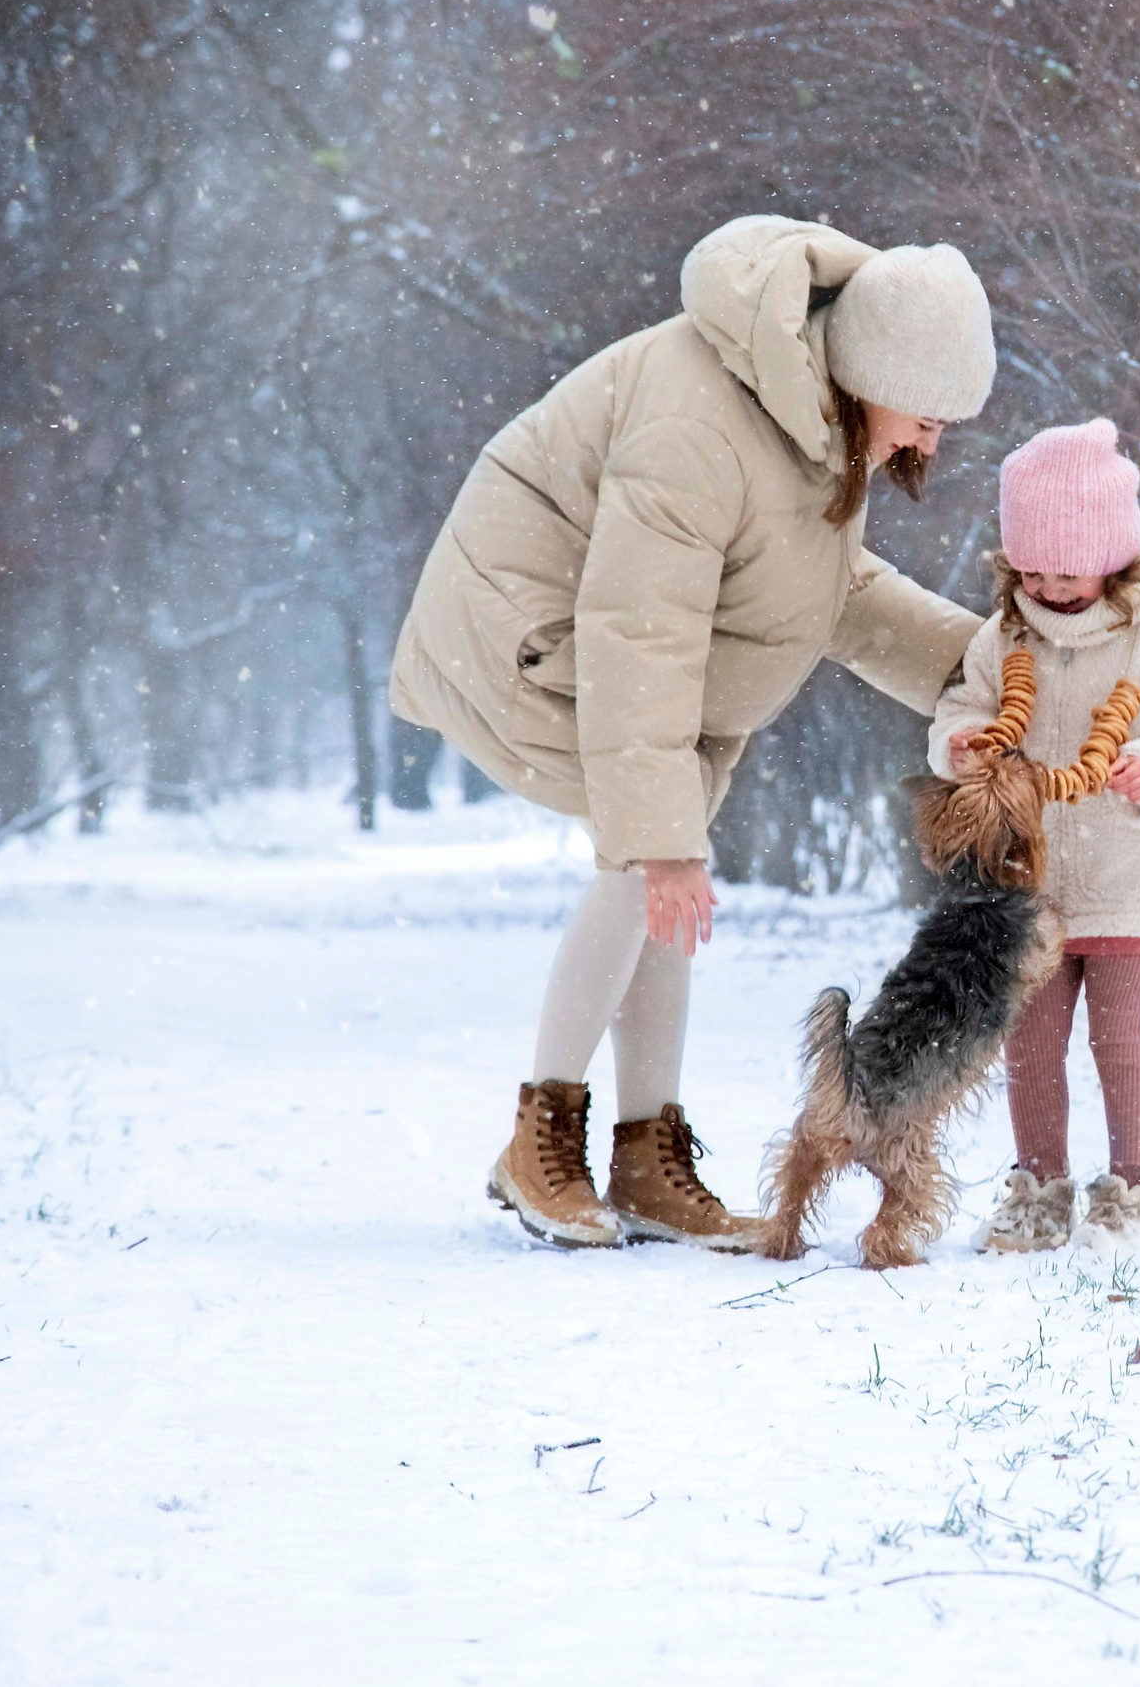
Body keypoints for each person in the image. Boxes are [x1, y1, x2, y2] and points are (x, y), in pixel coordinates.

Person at [390, 216, 994, 1250]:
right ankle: (541, 1139)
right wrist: (660, 839)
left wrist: (988, 666)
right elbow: (640, 630)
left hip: (631, 648)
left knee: (665, 888)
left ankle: (642, 1156)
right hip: (531, 632)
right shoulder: (702, 426)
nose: (933, 441)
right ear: (872, 370)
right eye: (928, 415)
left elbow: (830, 595)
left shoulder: (809, 423)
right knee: (644, 870)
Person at [927, 420, 1140, 1249]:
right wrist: (961, 743)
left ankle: (1133, 1189)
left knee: (1120, 1036)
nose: (1045, 585)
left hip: (1137, 878)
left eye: (1064, 570)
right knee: (1029, 1039)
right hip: (1029, 880)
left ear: (1111, 555)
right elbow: (964, 702)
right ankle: (1038, 1184)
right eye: (1028, 568)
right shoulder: (1006, 634)